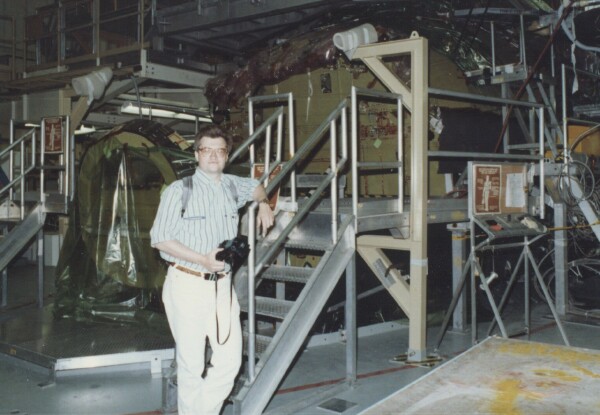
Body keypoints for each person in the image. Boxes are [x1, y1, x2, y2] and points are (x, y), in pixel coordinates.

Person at [150, 125, 275, 415]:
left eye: (220, 150)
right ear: (197, 154)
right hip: (188, 282)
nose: (214, 156)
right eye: (207, 150)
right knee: (192, 365)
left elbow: (256, 186)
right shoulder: (179, 191)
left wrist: (265, 203)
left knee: (230, 362)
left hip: (221, 287)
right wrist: (201, 259)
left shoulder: (233, 184)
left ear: (227, 155)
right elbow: (160, 239)